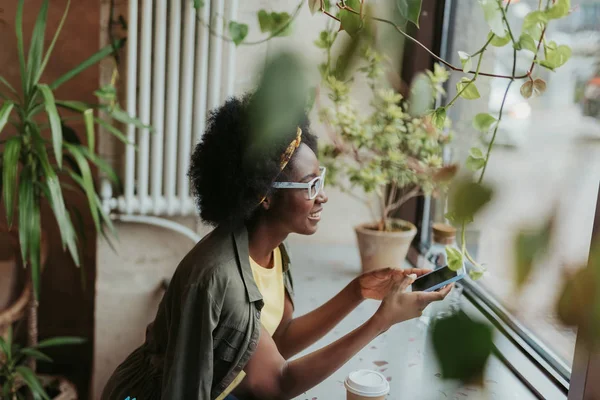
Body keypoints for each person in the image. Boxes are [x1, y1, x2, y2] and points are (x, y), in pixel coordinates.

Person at [101, 95, 451, 400]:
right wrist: (382, 321)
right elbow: (277, 383)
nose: (322, 195)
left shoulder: (271, 249)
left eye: (321, 180)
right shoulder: (220, 278)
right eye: (309, 185)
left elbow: (275, 340)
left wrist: (357, 292)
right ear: (265, 196)